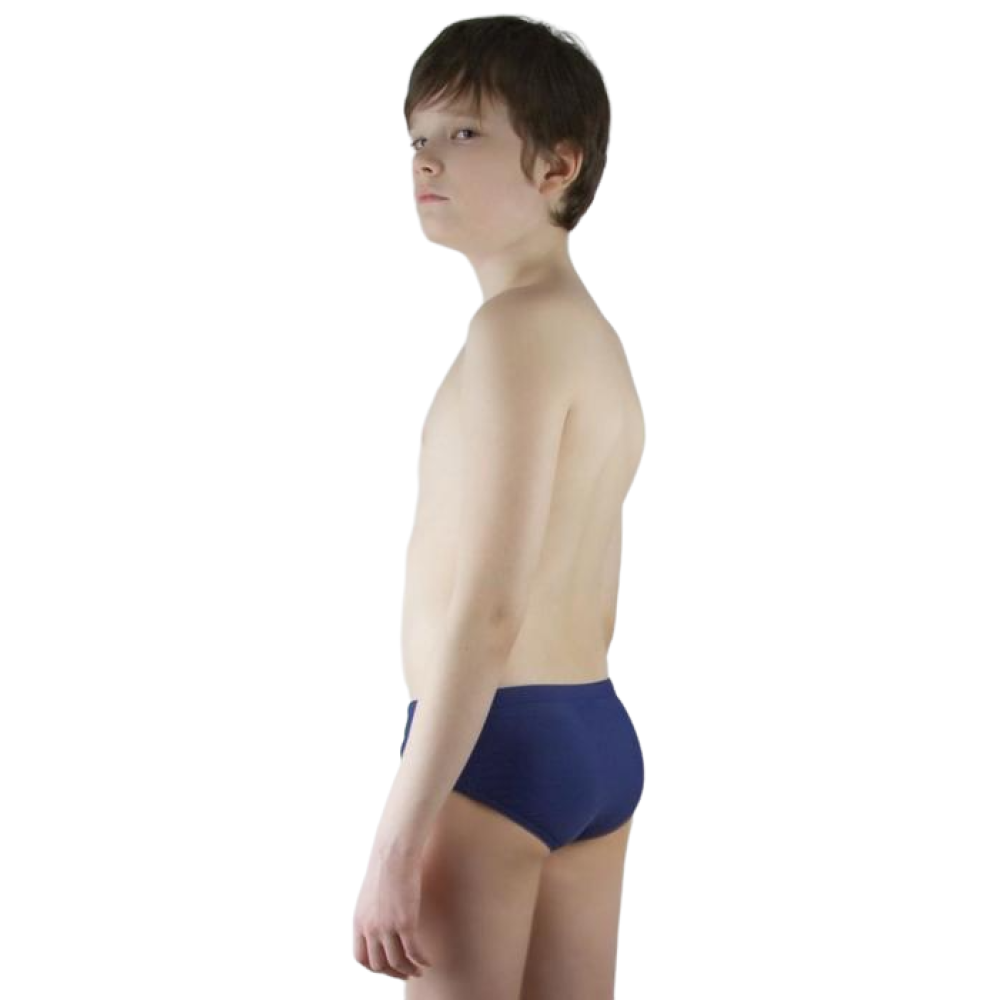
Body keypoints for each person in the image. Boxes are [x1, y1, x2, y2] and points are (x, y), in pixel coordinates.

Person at [352, 15, 646, 997]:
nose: (426, 159)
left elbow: (488, 605)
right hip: (593, 735)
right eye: (417, 136)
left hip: (493, 750)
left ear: (558, 164)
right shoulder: (592, 338)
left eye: (465, 132)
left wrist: (396, 839)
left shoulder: (512, 333)